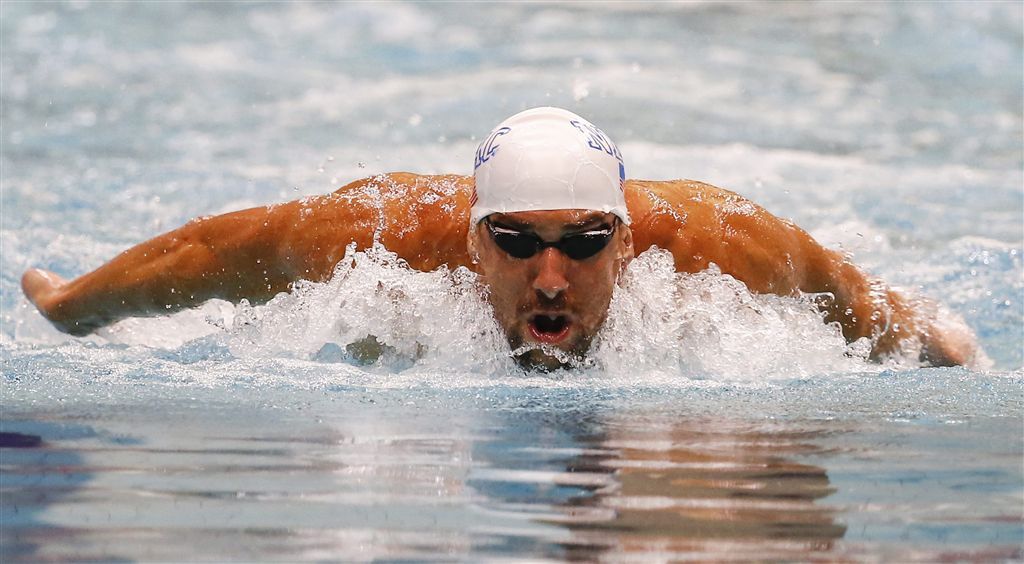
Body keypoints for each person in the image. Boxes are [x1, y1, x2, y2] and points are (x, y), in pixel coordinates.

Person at [21, 107, 980, 369]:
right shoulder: (386, 236)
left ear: (629, 239)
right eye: (516, 244)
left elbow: (848, 298)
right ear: (473, 242)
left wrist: (926, 337)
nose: (551, 277)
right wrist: (74, 308)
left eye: (584, 245)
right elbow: (208, 253)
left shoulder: (714, 242)